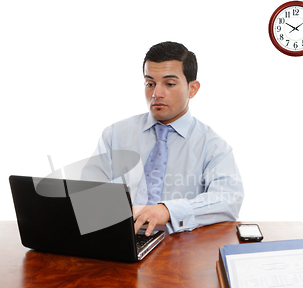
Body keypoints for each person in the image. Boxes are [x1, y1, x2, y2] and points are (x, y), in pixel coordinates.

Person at [85, 41, 244, 236]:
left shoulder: (213, 146)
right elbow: (87, 192)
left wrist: (168, 210)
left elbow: (228, 199)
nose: (156, 94)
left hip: (180, 252)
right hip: (118, 244)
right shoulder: (115, 135)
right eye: (150, 84)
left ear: (192, 89)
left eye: (169, 84)